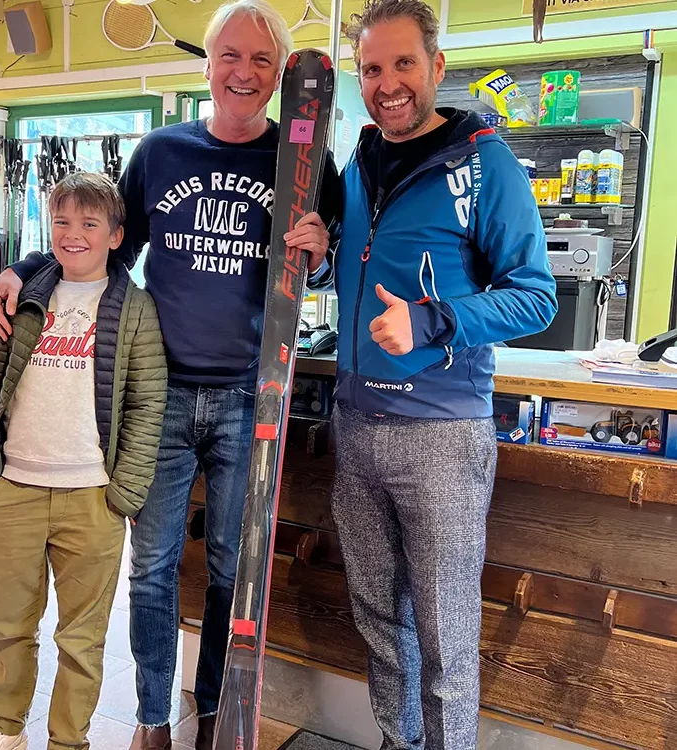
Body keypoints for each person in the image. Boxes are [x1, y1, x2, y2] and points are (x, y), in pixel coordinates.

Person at [0, 2, 342, 747]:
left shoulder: (304, 160)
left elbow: (320, 267)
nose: (244, 72)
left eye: (262, 60)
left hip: (252, 398)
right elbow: (102, 244)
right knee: (151, 568)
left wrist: (320, 254)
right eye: (230, 56)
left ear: (279, 74)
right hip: (160, 397)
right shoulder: (160, 152)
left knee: (231, 572)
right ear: (208, 65)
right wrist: (24, 268)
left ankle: (211, 708)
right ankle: (152, 718)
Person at [316, 1, 558, 748]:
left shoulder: (486, 164)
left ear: (436, 66)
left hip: (443, 437)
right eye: (371, 69)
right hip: (356, 424)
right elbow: (353, 267)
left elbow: (536, 296)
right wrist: (319, 255)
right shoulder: (359, 161)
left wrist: (431, 321)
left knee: (444, 635)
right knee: (379, 622)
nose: (387, 84)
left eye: (403, 64)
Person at [0, 171, 168, 750]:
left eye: (89, 223)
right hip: (13, 490)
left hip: (93, 500)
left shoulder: (135, 309)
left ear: (116, 235)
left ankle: (68, 740)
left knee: (81, 638)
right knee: (10, 625)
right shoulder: (24, 297)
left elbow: (148, 402)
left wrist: (123, 493)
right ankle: (5, 728)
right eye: (62, 222)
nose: (73, 234)